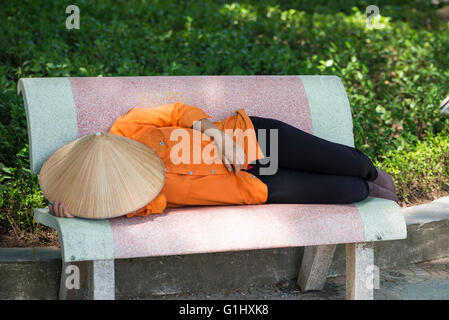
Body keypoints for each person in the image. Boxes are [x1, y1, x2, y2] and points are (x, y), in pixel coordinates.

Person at [49, 102, 398, 218]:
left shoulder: (129, 126)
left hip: (252, 139)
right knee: (349, 190)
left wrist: (217, 136)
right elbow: (152, 204)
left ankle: (384, 182)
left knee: (351, 164)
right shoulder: (129, 195)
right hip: (252, 186)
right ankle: (373, 192)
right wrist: (78, 209)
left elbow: (180, 110)